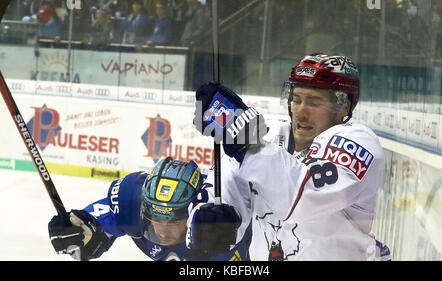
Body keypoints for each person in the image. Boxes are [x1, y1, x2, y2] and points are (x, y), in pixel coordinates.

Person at [190, 53, 391, 260]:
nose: (301, 113)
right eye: (296, 100)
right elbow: (225, 189)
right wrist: (205, 221)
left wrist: (246, 143)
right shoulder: (270, 137)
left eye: (313, 103)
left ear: (344, 106)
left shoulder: (358, 140)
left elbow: (307, 195)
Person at [47, 157, 246, 261]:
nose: (163, 231)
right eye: (156, 220)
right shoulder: (130, 205)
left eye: (173, 221)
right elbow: (90, 225)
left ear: (193, 212)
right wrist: (74, 235)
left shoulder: (220, 222)